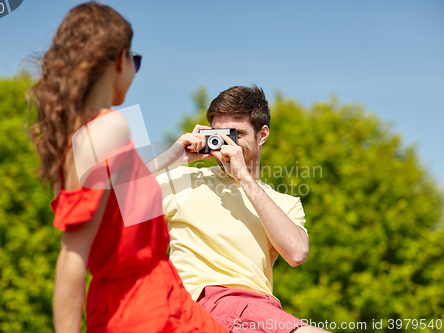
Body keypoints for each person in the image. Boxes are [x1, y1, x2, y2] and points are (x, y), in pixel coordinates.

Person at [28, 2, 227, 333]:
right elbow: (72, 253)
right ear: (120, 59)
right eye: (136, 61)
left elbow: (121, 199)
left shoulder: (81, 134)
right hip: (146, 308)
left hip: (140, 299)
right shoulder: (111, 126)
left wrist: (176, 154)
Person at [154, 85, 330, 333]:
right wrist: (173, 157)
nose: (226, 144)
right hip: (204, 303)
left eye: (235, 135)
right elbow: (108, 194)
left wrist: (244, 179)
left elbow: (297, 253)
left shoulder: (283, 202)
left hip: (260, 310)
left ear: (263, 134)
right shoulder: (183, 179)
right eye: (219, 134)